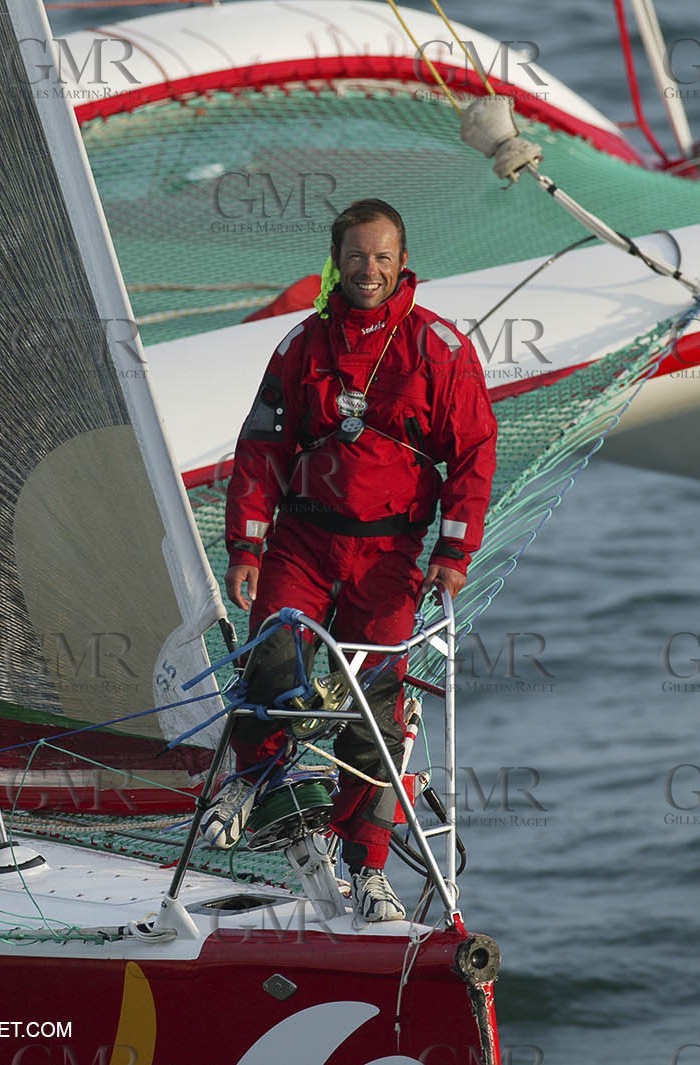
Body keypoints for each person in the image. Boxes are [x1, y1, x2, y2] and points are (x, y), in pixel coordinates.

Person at [207, 198, 497, 922]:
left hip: (390, 555)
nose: (369, 270)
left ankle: (367, 867)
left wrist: (453, 551)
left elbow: (473, 455)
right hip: (303, 541)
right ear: (336, 260)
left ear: (403, 263)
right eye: (356, 256)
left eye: (382, 257)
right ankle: (252, 775)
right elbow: (263, 446)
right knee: (274, 652)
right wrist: (245, 543)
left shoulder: (441, 350)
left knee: (379, 709)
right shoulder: (301, 346)